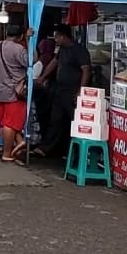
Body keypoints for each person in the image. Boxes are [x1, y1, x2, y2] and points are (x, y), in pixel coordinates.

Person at [31, 24, 91, 157]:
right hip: (60, 90)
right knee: (55, 120)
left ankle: (75, 153)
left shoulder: (79, 51)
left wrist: (81, 91)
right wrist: (42, 77)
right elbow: (54, 63)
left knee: (74, 121)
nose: (55, 39)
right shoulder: (62, 50)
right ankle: (47, 148)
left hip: (72, 91)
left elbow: (86, 70)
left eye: (57, 36)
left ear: (63, 36)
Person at [0, 24, 30, 164]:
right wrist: (30, 42)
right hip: (14, 92)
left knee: (4, 123)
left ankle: (19, 142)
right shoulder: (18, 49)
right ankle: (7, 153)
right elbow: (31, 61)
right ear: (20, 36)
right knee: (11, 124)